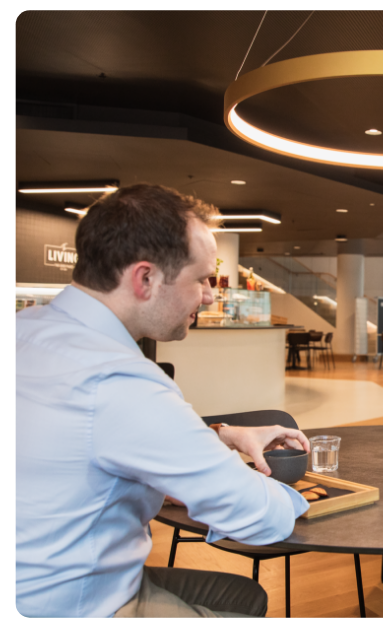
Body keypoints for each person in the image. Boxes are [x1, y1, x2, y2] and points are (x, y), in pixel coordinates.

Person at [15, 184, 310, 618]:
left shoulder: (29, 329)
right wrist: (304, 499)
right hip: (78, 602)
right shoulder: (121, 381)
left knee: (244, 597)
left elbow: (93, 443)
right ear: (145, 278)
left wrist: (221, 437)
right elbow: (254, 514)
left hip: (35, 579)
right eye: (202, 278)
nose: (210, 295)